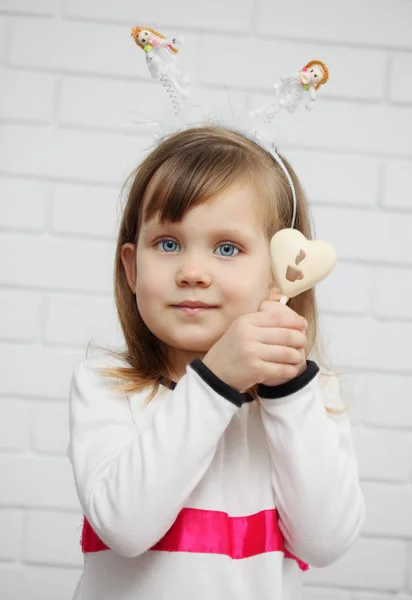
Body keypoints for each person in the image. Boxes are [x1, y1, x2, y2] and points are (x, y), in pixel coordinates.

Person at [68, 125, 364, 600]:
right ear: (132, 268)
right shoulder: (106, 386)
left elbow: (325, 542)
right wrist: (214, 383)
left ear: (281, 271)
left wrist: (287, 395)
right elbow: (124, 527)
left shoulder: (310, 395)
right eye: (168, 244)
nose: (192, 273)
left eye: (227, 248)